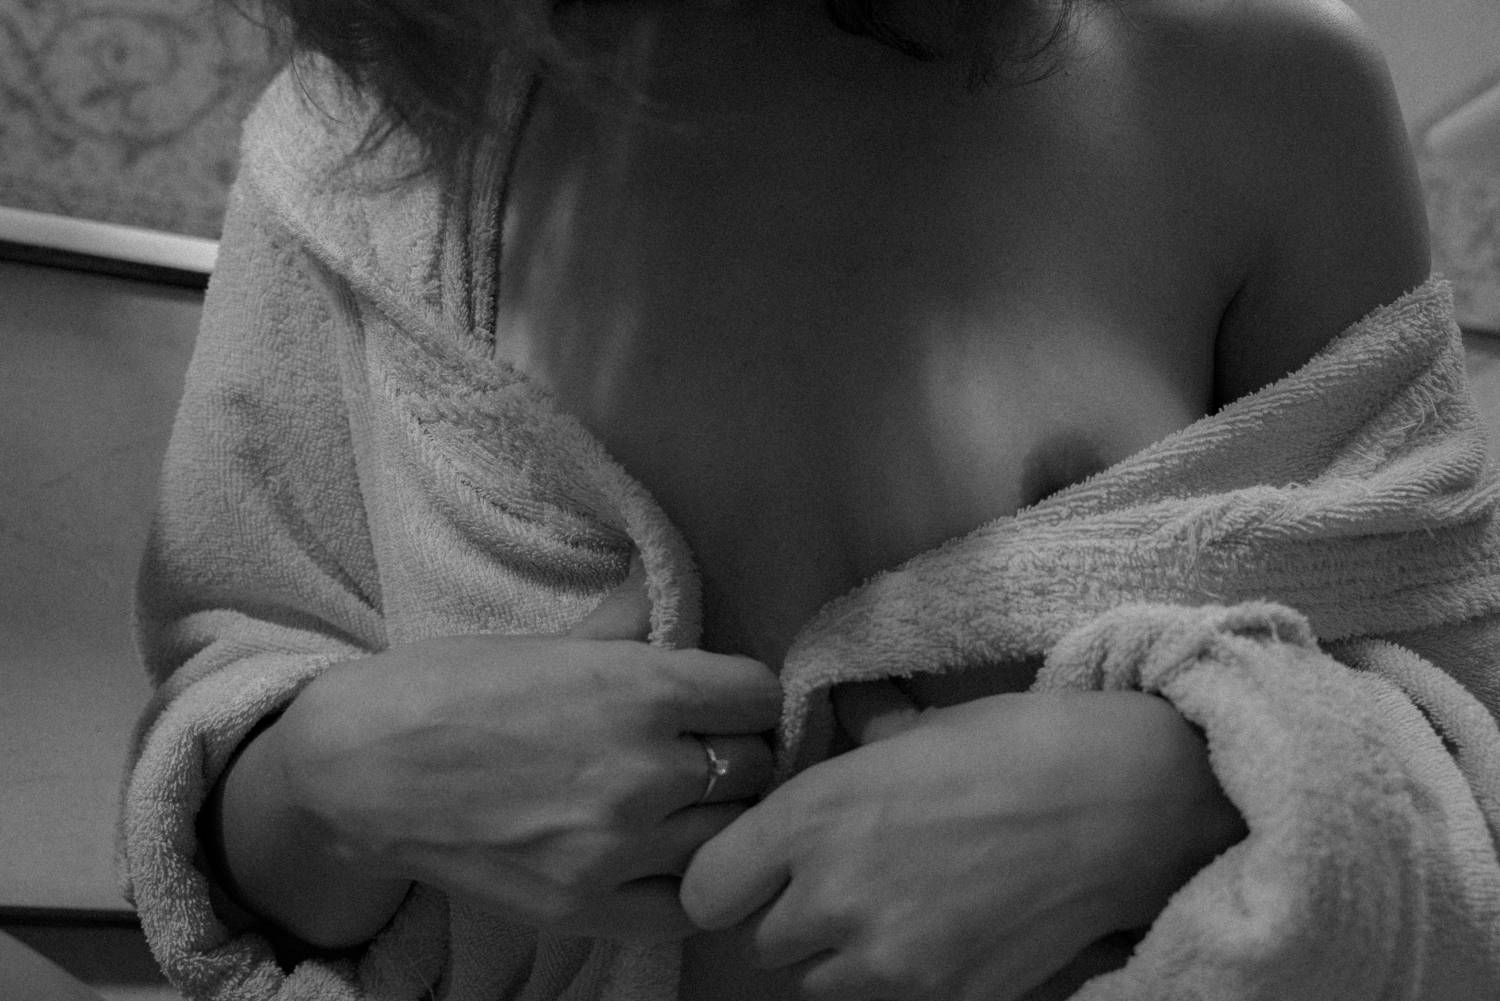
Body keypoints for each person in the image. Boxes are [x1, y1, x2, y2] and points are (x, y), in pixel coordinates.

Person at [117, 0, 1500, 998]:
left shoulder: (1267, 86)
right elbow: (227, 732)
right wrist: (328, 780)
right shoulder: (354, 143)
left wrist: (1193, 795)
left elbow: (1466, 757)